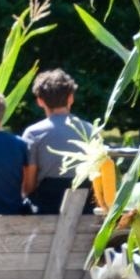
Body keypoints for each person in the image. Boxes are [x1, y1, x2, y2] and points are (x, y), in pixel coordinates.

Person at [22, 68, 90, 214]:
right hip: (84, 208)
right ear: (71, 98)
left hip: (46, 208)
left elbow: (29, 185)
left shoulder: (33, 133)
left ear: (40, 101)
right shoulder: (90, 130)